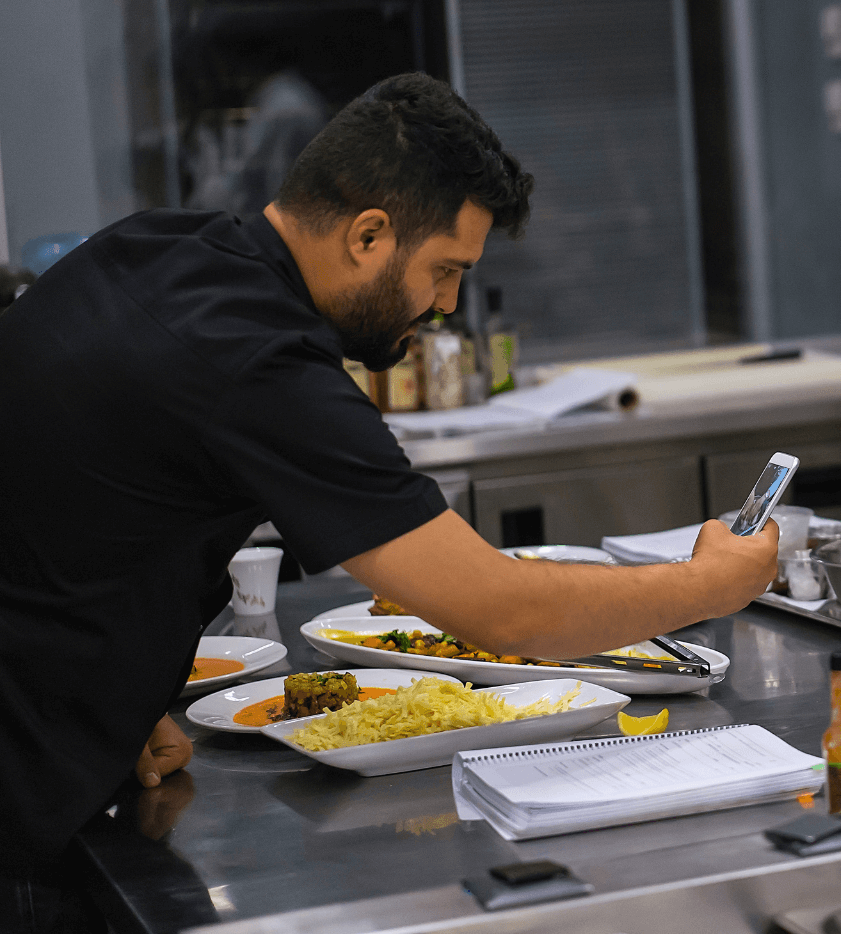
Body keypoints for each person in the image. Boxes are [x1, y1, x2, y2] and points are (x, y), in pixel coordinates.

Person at [0, 74, 779, 881]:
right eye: (444, 269)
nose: (446, 304)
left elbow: (67, 503)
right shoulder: (261, 359)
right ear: (369, 235)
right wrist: (709, 585)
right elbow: (502, 610)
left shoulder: (164, 246)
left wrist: (119, 703)